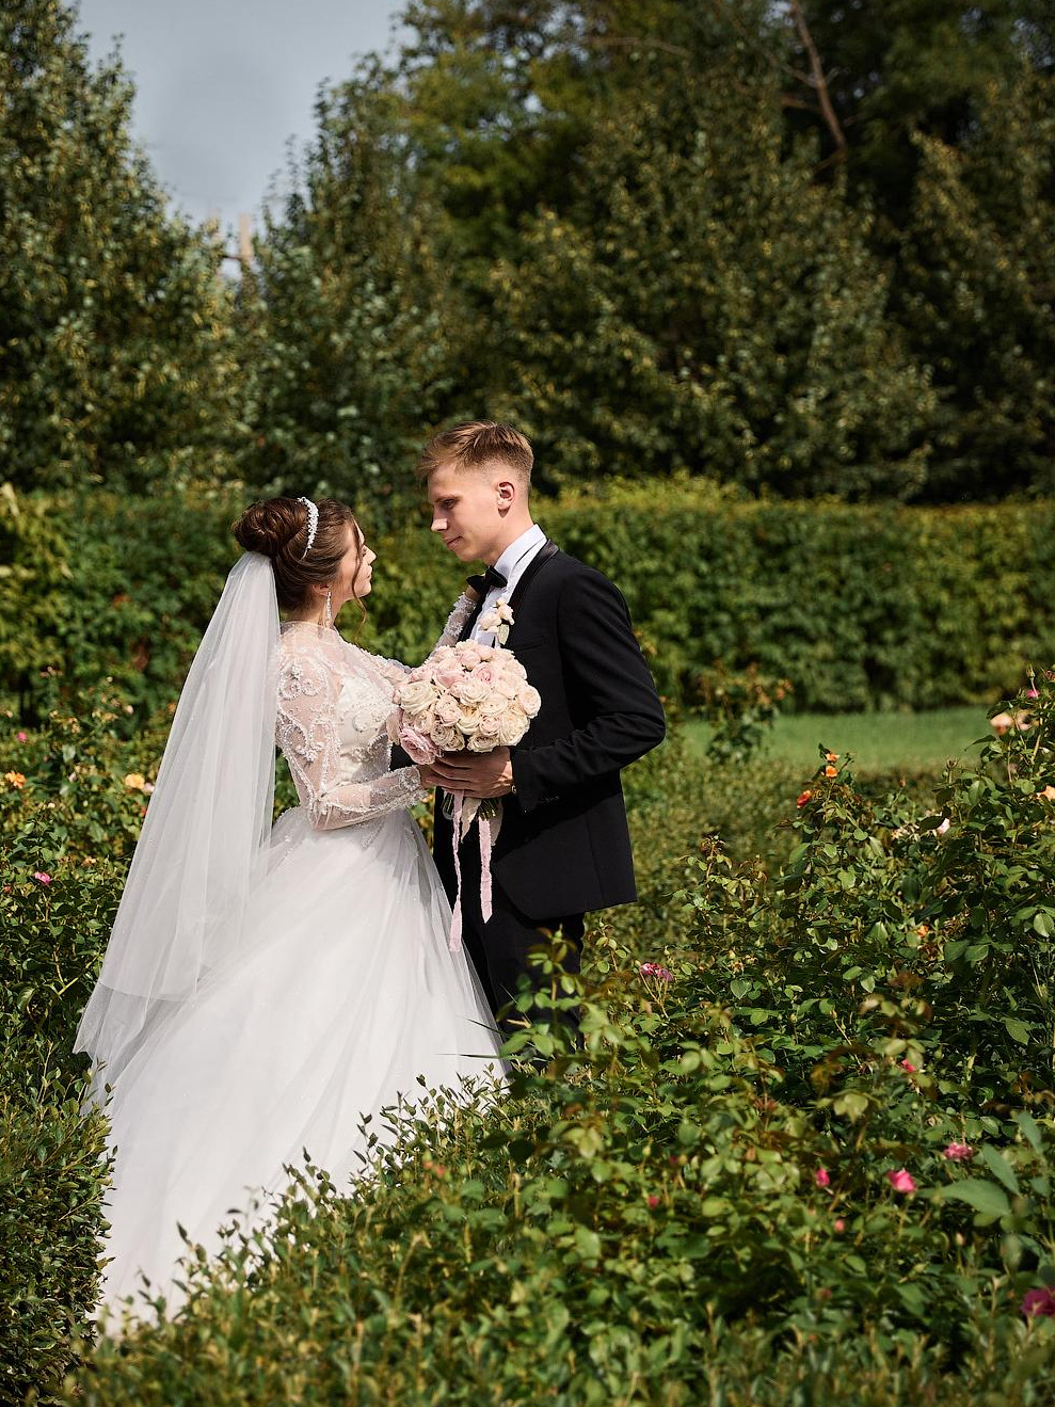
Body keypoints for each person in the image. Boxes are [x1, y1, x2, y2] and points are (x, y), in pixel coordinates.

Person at [77, 495, 503, 1330]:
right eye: (364, 548)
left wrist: (464, 692)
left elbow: (405, 704)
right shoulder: (296, 666)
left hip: (392, 873)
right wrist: (426, 777)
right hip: (337, 872)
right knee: (300, 1036)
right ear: (330, 572)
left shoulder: (344, 654)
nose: (374, 558)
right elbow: (328, 799)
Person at [412, 422, 666, 1050]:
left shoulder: (572, 588)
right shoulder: (478, 598)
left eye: (448, 504)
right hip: (461, 861)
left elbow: (637, 720)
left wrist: (517, 775)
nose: (437, 524)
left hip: (538, 867)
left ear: (504, 491)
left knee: (541, 1055)